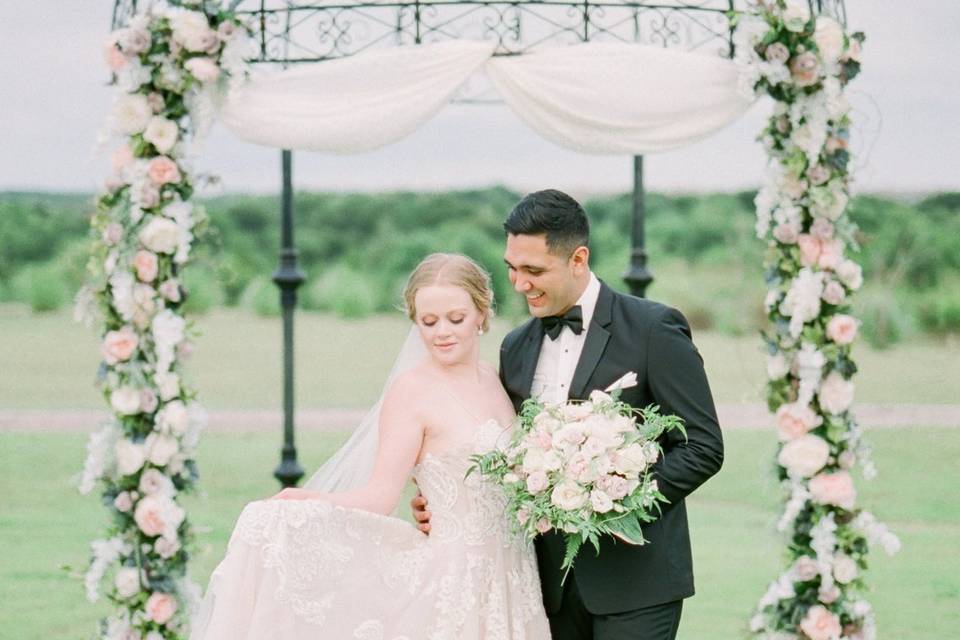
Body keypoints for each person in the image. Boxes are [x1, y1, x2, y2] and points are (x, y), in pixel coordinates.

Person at [412, 190, 724, 640]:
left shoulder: (654, 330)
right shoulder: (514, 347)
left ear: (578, 259)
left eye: (534, 270)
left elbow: (703, 447)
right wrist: (444, 501)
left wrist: (621, 504)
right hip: (543, 590)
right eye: (512, 269)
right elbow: (510, 453)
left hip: (637, 583)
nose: (519, 284)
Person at [191, 253, 550, 639]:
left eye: (455, 319)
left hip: (514, 576)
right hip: (455, 584)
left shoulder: (493, 378)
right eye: (428, 322)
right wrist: (306, 500)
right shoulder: (412, 391)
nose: (441, 332)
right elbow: (381, 495)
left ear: (481, 314)